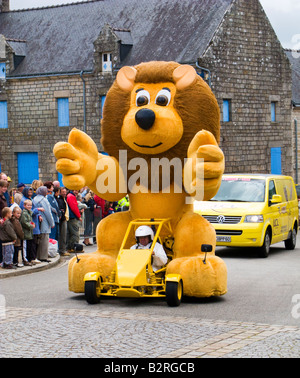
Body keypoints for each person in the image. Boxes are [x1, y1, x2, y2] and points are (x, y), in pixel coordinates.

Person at [32, 186, 54, 262]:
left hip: (37, 222)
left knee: (39, 240)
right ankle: (43, 256)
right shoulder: (44, 200)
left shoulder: (35, 199)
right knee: (44, 240)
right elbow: (48, 212)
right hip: (44, 222)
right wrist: (52, 223)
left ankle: (38, 255)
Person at [20, 199, 38, 265]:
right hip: (25, 233)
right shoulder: (24, 213)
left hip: (29, 233)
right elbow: (24, 222)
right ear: (24, 206)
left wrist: (32, 224)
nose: (29, 207)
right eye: (28, 205)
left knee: (29, 246)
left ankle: (29, 259)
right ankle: (25, 259)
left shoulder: (29, 212)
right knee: (25, 247)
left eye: (30, 205)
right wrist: (31, 225)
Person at [56, 187, 70, 256]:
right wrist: (63, 218)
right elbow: (61, 210)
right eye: (63, 192)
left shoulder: (64, 199)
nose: (64, 193)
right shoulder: (60, 200)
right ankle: (62, 250)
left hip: (65, 219)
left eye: (65, 192)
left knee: (64, 235)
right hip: (63, 220)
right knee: (63, 235)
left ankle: (63, 249)